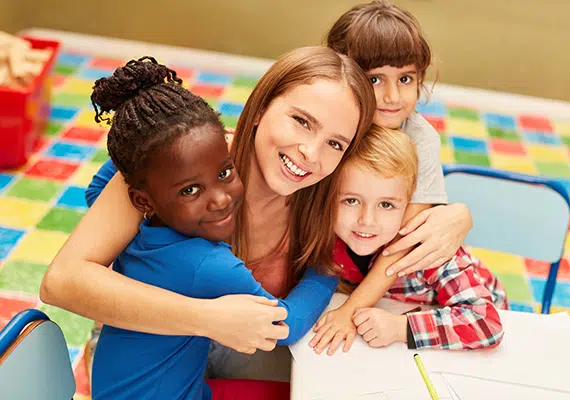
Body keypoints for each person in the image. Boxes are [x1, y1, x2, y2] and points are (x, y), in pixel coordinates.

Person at [40, 46, 376, 382]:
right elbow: (60, 281)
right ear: (260, 108)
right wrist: (204, 316)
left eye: (335, 143)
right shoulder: (184, 160)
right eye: (301, 121)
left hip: (229, 351)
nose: (310, 153)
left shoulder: (325, 198)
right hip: (147, 353)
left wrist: (432, 220)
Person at [308, 126, 507, 355]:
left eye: (386, 205)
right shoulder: (327, 238)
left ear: (410, 204)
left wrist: (400, 328)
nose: (367, 220)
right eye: (351, 201)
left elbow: (487, 323)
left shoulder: (429, 251)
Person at [326, 0, 473, 276]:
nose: (392, 97)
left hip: (393, 279)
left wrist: (350, 309)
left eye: (405, 79)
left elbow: (399, 246)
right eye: (375, 80)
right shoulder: (329, 125)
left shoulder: (420, 139)